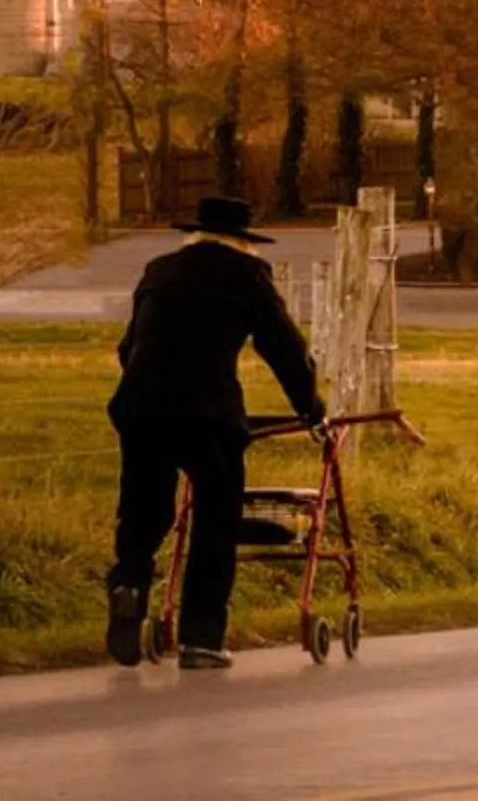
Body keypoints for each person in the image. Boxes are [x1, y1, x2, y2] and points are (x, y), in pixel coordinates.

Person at [105, 196, 326, 671]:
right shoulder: (248, 276)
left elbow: (129, 346)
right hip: (207, 411)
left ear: (196, 233)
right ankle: (201, 638)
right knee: (215, 516)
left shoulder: (158, 270)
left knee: (144, 508)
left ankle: (129, 585)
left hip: (139, 406)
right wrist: (311, 410)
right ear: (243, 241)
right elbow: (285, 348)